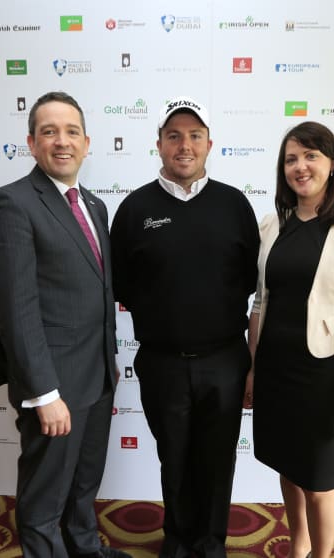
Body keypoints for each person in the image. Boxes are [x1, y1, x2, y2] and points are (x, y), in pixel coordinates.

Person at [110, 97, 259, 558]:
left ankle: (212, 543)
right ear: (158, 144)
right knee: (172, 458)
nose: (185, 145)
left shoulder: (234, 204)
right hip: (162, 363)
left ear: (209, 144)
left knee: (218, 462)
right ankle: (176, 538)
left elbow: (250, 279)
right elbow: (123, 287)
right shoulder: (134, 209)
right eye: (174, 135)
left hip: (225, 361)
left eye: (195, 135)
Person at [0, 91, 128, 558]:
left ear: (87, 142)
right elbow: (17, 310)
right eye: (49, 132)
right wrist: (44, 394)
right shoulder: (12, 204)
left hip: (98, 377)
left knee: (84, 485)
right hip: (55, 387)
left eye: (70, 132)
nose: (61, 142)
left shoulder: (94, 206)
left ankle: (85, 548)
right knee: (45, 500)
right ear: (31, 142)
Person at [244, 121, 334, 558]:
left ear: (333, 165)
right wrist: (251, 368)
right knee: (288, 468)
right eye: (290, 159)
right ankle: (298, 545)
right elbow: (260, 305)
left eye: (310, 156)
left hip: (323, 374)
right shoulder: (273, 225)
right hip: (275, 368)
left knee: (320, 482)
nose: (299, 167)